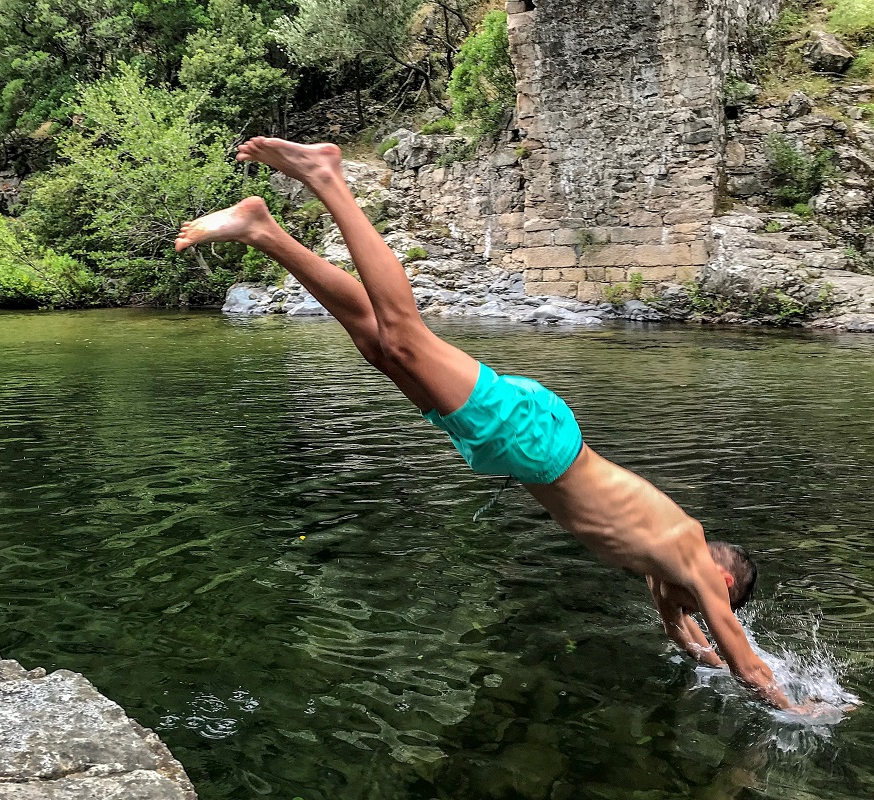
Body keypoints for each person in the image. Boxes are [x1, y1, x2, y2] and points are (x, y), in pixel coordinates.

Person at [176, 137, 812, 712]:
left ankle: (263, 230)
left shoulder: (667, 575)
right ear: (724, 581)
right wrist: (794, 706)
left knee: (380, 346)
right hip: (535, 441)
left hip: (528, 445)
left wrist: (705, 657)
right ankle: (327, 177)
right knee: (403, 332)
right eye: (717, 602)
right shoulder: (688, 553)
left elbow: (690, 636)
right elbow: (738, 650)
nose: (706, 609)